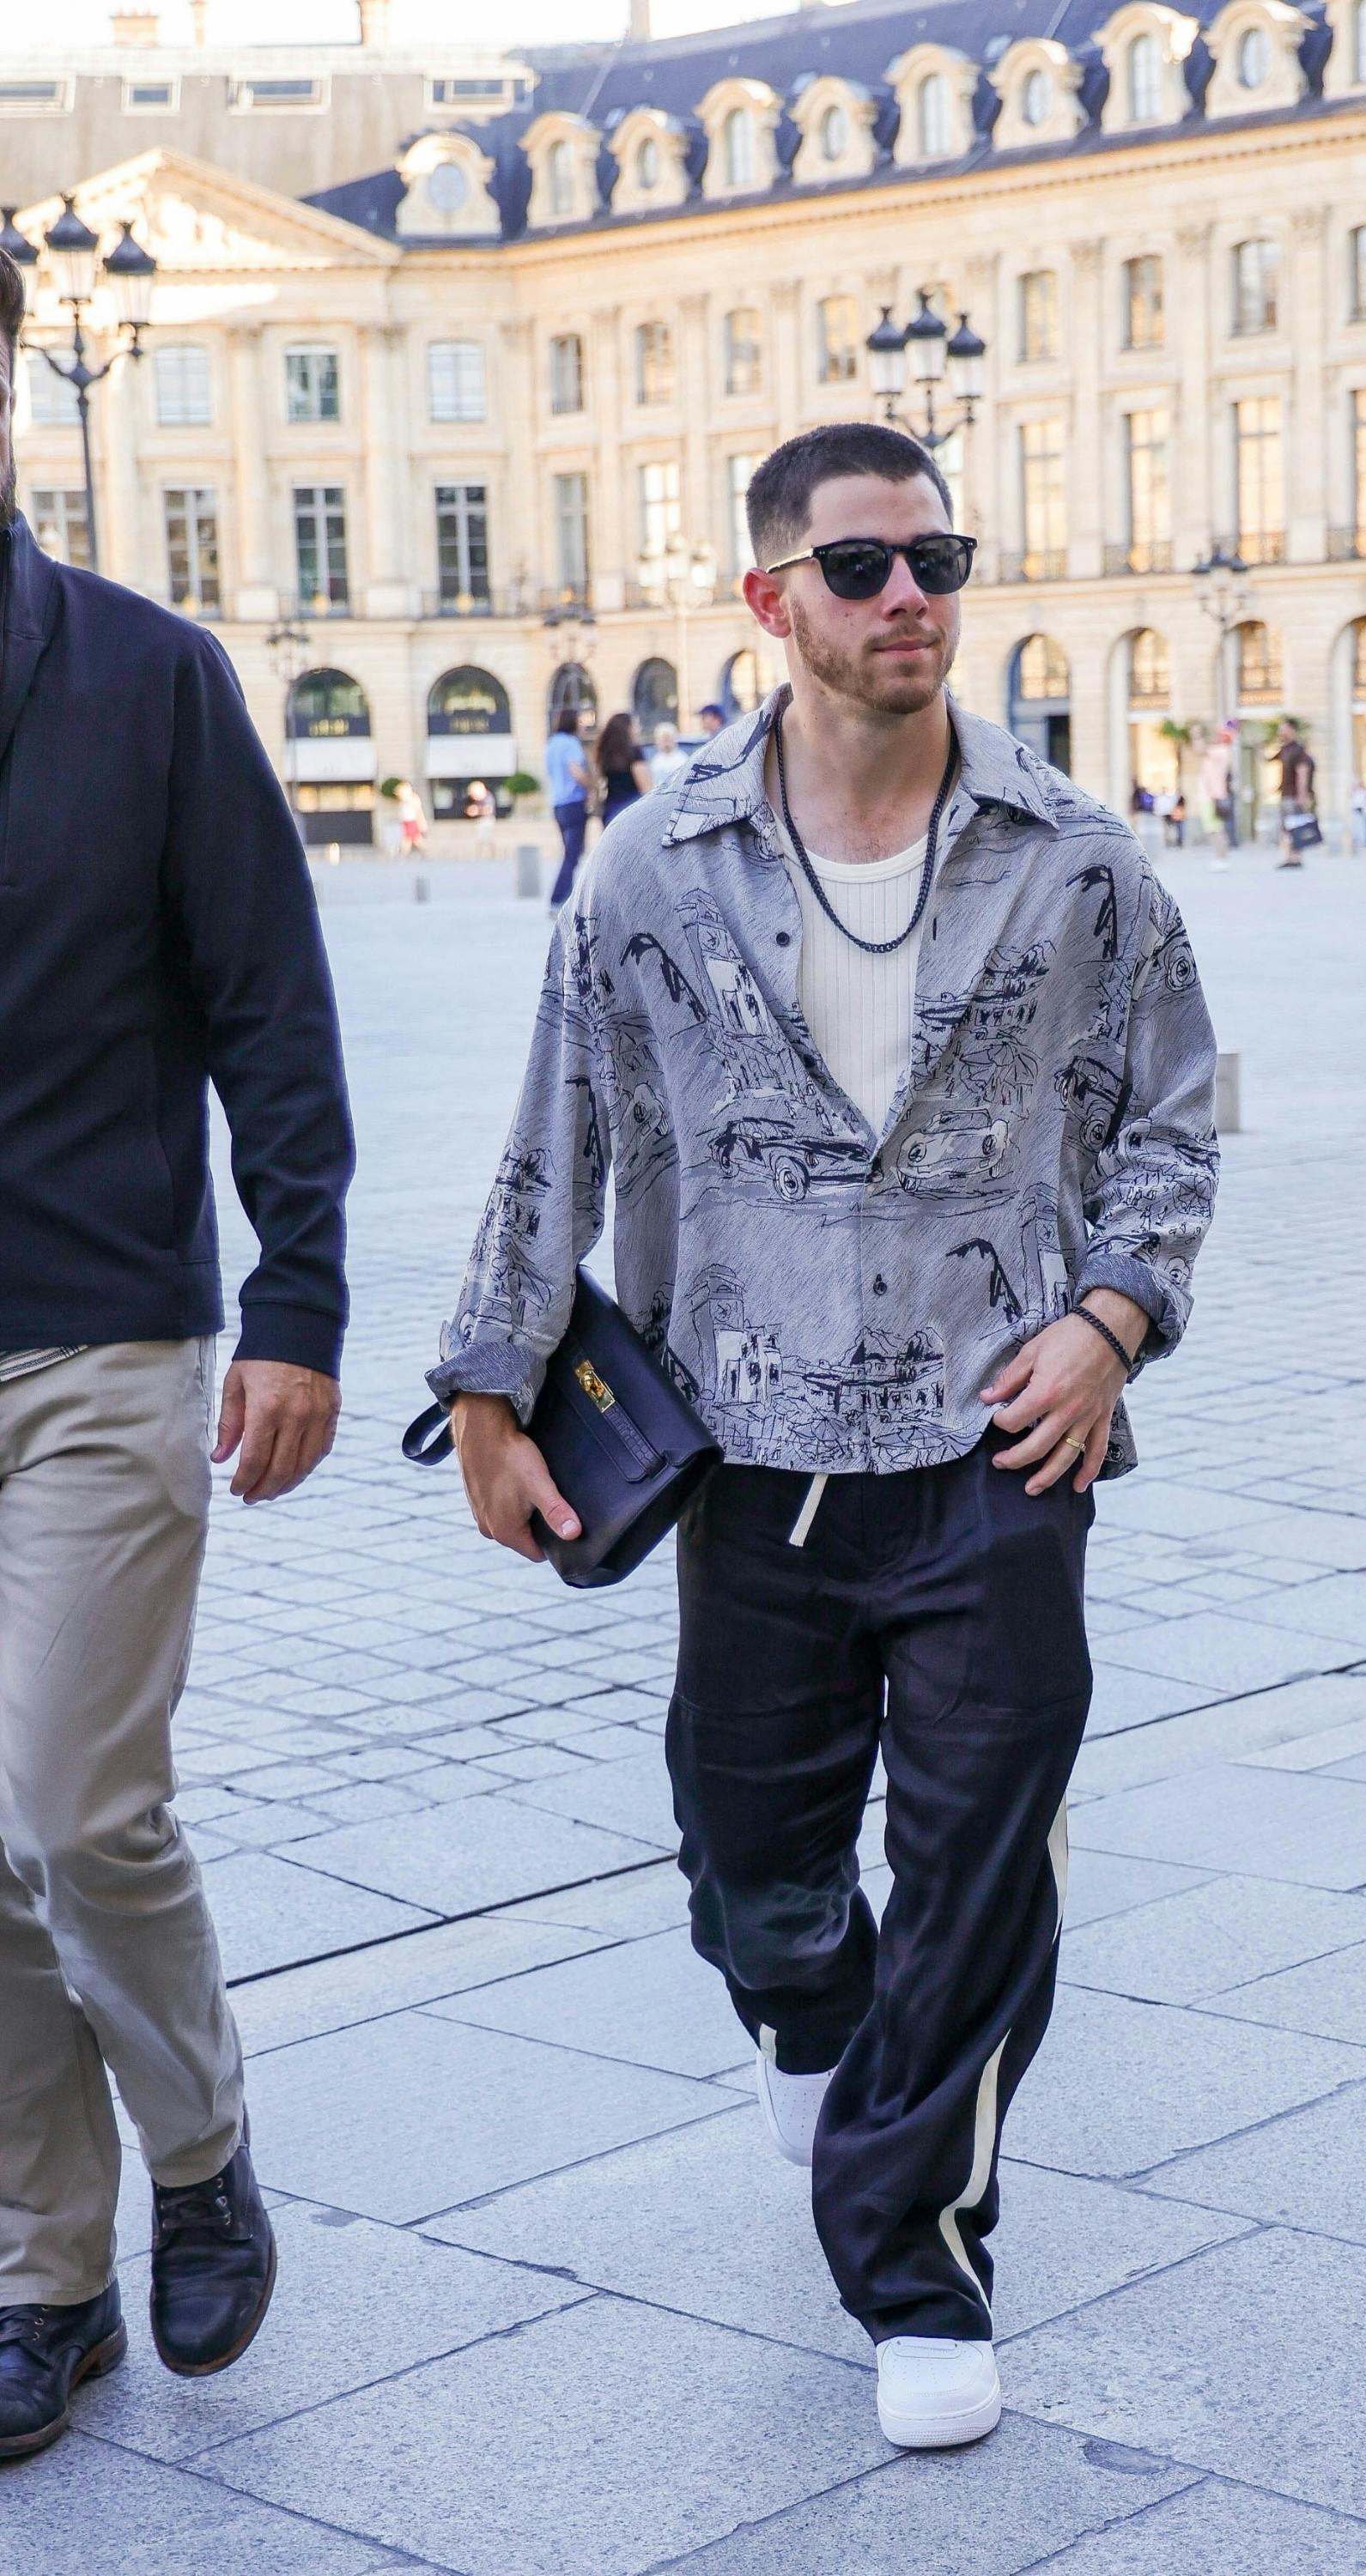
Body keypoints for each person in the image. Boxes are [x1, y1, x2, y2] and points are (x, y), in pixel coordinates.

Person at [431, 419, 1218, 2454]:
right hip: (748, 1459)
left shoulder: (1076, 858)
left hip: (995, 1455)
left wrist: (1113, 1322)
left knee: (976, 1877)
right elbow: (554, 1135)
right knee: (754, 1877)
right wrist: (489, 1391)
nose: (907, 600)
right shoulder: (649, 862)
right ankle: (828, 2042)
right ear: (768, 597)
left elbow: (1174, 1119)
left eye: (934, 559)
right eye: (860, 567)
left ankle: (912, 2255)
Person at [0, 246, 355, 2461]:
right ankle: (44, 2272)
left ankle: (199, 2145)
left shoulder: (144, 677)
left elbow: (267, 1005)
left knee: (71, 1802)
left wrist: (298, 1296)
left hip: (101, 1334)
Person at [544, 709, 591, 908]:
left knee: (570, 852)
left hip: (558, 804)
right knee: (572, 854)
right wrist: (593, 785)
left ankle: (565, 895)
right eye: (580, 722)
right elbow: (577, 772)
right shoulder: (571, 744)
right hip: (573, 803)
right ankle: (559, 897)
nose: (582, 726)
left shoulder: (551, 744)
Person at [595, 712, 652, 827]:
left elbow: (597, 781)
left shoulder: (605, 753)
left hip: (611, 808)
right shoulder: (634, 752)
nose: (639, 729)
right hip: (633, 808)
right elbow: (646, 788)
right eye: (636, 725)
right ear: (628, 729)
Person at [1273, 720, 1316, 869]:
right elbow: (1269, 759)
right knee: (1287, 828)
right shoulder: (1285, 749)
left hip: (1293, 795)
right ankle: (1290, 857)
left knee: (1295, 827)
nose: (1281, 733)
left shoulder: (1298, 750)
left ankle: (1295, 858)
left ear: (1291, 730)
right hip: (1286, 794)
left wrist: (1302, 795)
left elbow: (1302, 772)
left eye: (1283, 729)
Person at [647, 718, 691, 792]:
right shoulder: (654, 760)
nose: (666, 743)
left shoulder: (683, 759)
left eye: (668, 739)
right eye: (663, 740)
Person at [464, 779, 497, 857]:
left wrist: (477, 811)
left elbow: (489, 810)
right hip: (480, 820)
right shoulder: (478, 800)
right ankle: (480, 855)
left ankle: (491, 855)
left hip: (487, 820)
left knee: (488, 839)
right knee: (480, 839)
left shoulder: (488, 797)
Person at [395, 776, 426, 855]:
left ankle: (423, 852)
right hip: (405, 821)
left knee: (415, 838)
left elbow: (418, 811)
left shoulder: (413, 799)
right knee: (408, 838)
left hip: (412, 821)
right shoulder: (402, 801)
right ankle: (404, 853)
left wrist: (421, 822)